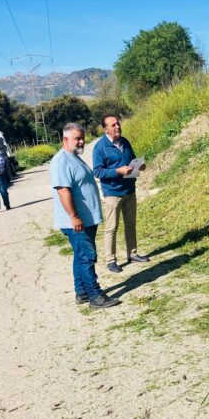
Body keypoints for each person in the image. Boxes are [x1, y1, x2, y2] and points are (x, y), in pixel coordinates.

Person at [50, 122, 120, 309]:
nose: (81, 142)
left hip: (85, 219)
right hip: (75, 222)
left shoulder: (73, 157)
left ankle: (81, 293)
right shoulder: (60, 161)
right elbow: (63, 191)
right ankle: (95, 296)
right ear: (65, 139)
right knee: (87, 256)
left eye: (82, 138)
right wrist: (74, 216)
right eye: (77, 138)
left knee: (80, 256)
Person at [92, 113, 149, 273]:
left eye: (118, 124)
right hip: (113, 194)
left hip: (129, 190)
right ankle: (111, 260)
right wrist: (117, 171)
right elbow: (98, 171)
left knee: (131, 224)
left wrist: (140, 166)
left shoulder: (125, 142)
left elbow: (133, 160)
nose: (117, 127)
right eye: (113, 125)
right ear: (105, 129)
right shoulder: (100, 147)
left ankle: (133, 254)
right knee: (112, 228)